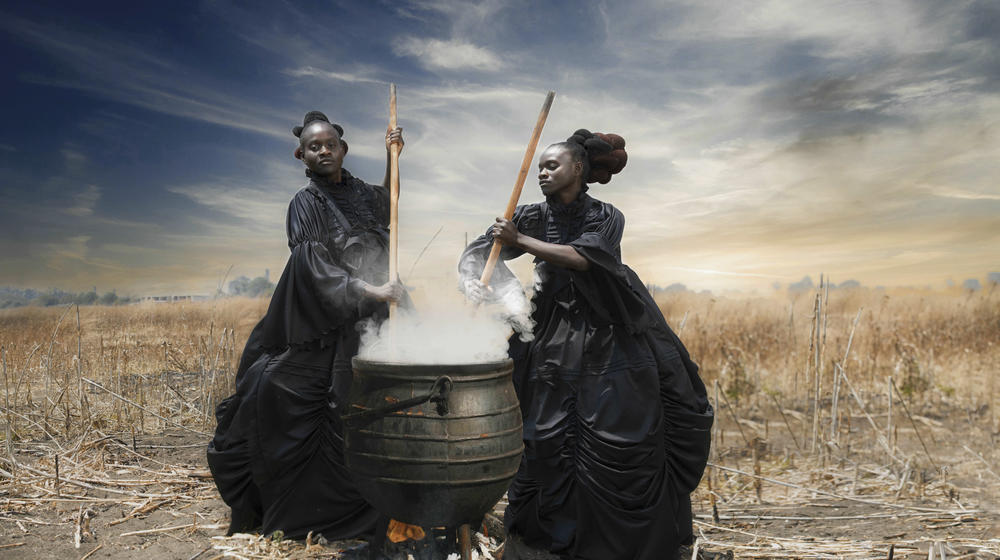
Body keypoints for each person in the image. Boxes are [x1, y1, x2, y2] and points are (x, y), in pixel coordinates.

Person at [459, 130, 714, 559]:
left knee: (623, 418)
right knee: (543, 431)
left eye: (552, 165)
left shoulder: (606, 215)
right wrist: (485, 282)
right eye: (539, 166)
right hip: (551, 328)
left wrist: (518, 241)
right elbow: (478, 255)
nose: (542, 172)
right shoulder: (530, 214)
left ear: (577, 169)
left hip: (609, 326)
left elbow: (583, 257)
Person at [207, 111, 406, 540]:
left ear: (342, 148)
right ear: (303, 155)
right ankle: (310, 514)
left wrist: (394, 155)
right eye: (314, 147)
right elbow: (311, 264)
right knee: (282, 388)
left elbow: (389, 202)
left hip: (374, 314)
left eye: (330, 144)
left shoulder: (361, 192)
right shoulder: (305, 203)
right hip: (327, 315)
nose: (323, 151)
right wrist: (369, 290)